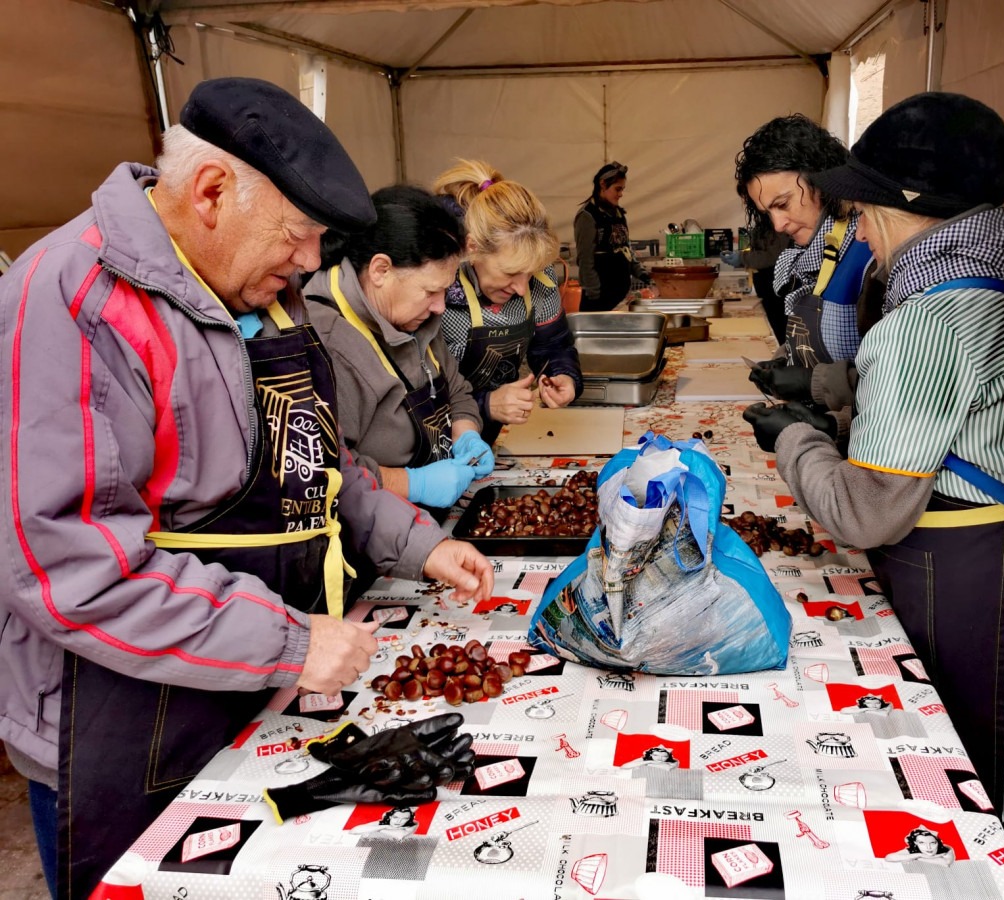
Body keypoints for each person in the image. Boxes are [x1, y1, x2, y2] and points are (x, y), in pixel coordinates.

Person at [0, 77, 494, 899]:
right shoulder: (73, 305)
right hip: (123, 720)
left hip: (247, 684)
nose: (311, 261)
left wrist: (423, 541)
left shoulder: (264, 295)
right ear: (211, 192)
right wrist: (291, 643)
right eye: (299, 236)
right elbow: (72, 572)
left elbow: (318, 465)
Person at [742, 92, 1004, 896]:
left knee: (966, 796)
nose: (857, 223)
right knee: (1001, 800)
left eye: (865, 204)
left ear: (901, 208)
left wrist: (795, 438)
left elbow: (865, 510)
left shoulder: (925, 321)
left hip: (973, 585)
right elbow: (967, 394)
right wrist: (833, 382)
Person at [303, 184, 493, 510]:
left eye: (445, 291)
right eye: (431, 291)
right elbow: (325, 472)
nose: (440, 307)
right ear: (381, 270)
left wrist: (466, 434)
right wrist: (411, 484)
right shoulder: (328, 343)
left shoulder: (417, 319)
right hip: (370, 528)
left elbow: (457, 391)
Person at [734, 114, 880, 411]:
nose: (776, 225)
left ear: (823, 181)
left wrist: (813, 383)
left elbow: (903, 382)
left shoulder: (871, 256)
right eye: (767, 213)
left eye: (783, 204)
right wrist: (787, 361)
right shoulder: (812, 252)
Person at [433, 160, 582, 442]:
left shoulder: (539, 275)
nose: (523, 288)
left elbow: (553, 344)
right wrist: (486, 404)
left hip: (486, 440)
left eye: (531, 273)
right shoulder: (434, 288)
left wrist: (563, 375)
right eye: (511, 273)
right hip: (431, 451)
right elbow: (411, 397)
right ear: (472, 249)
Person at [573, 161, 654, 311]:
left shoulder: (618, 213)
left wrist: (644, 276)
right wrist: (594, 296)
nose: (621, 194)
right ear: (603, 185)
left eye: (622, 189)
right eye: (617, 189)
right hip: (598, 299)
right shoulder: (587, 216)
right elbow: (585, 260)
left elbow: (626, 249)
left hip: (619, 297)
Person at [885, 827, 956, 866]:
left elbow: (946, 863)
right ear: (916, 843)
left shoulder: (946, 848)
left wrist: (916, 858)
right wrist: (920, 855)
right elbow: (889, 858)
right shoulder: (914, 850)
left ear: (938, 842)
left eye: (932, 843)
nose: (928, 847)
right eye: (922, 843)